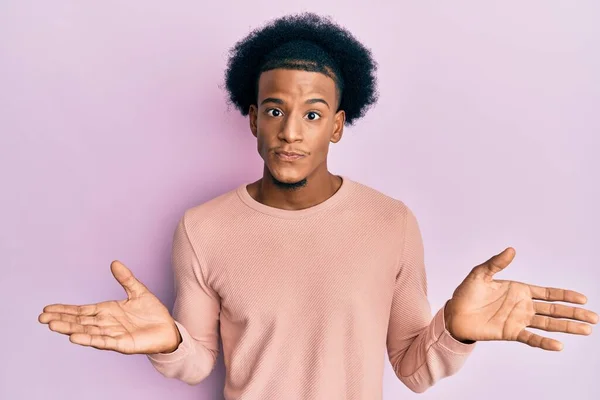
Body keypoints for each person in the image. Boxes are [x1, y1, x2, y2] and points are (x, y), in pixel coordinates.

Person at [38, 12, 598, 399]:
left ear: (336, 126)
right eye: (275, 110)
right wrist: (170, 341)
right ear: (253, 118)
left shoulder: (390, 222)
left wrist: (456, 329)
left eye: (312, 114)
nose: (291, 132)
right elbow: (197, 362)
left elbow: (413, 368)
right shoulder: (202, 228)